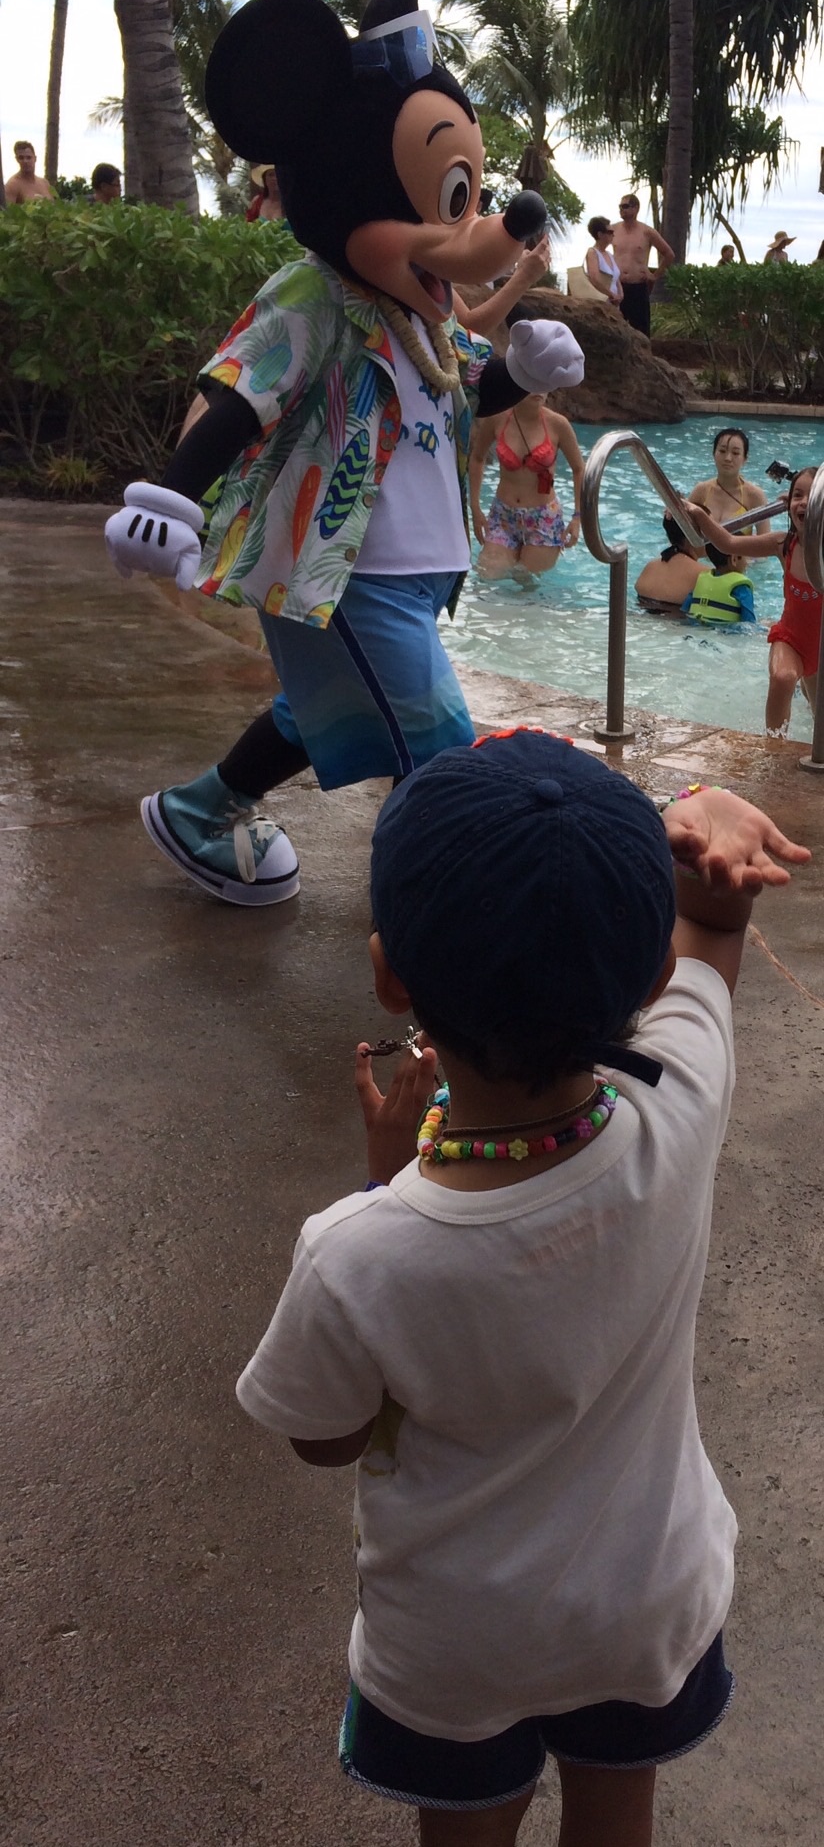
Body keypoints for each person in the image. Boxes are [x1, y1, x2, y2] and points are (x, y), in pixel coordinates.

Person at [235, 728, 808, 1847]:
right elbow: (710, 931)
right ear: (643, 978)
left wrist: (381, 1180)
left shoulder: (359, 1249)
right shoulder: (675, 1111)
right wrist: (711, 826)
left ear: (389, 972)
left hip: (457, 1641)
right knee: (615, 1816)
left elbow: (324, 1437)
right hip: (643, 1598)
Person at [104, 0, 583, 906]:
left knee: (316, 709)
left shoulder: (422, 308)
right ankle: (445, 932)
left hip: (400, 573)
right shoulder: (316, 295)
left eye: (461, 195)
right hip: (349, 578)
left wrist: (519, 372)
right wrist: (170, 495)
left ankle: (204, 811)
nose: (458, 228)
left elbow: (456, 392)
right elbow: (240, 392)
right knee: (443, 754)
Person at [685, 467, 821, 736]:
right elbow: (728, 543)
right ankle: (774, 746)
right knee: (782, 677)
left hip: (822, 645)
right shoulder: (784, 545)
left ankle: (808, 687)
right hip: (792, 638)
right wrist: (699, 513)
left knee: (821, 724)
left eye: (812, 496)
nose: (803, 502)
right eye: (797, 495)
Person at [469, 389, 584, 580]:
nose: (538, 390)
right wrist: (475, 508)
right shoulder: (497, 419)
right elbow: (477, 458)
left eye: (543, 384)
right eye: (532, 383)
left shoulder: (558, 424)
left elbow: (579, 468)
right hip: (504, 515)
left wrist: (577, 517)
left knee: (527, 584)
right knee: (485, 576)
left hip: (543, 518)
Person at [687, 427, 769, 538]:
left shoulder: (754, 496)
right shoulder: (701, 491)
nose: (728, 458)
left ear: (745, 459)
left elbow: (765, 545)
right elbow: (683, 538)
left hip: (739, 555)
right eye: (722, 451)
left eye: (735, 453)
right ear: (714, 454)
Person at [611, 193, 674, 336]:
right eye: (620, 207)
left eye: (625, 206)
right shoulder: (613, 230)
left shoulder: (647, 232)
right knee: (617, 329)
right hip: (618, 287)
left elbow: (669, 254)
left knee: (640, 330)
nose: (622, 210)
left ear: (636, 208)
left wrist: (655, 275)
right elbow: (598, 248)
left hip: (638, 287)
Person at [635, 520, 704, 614]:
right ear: (693, 537)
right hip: (678, 626)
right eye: (709, 531)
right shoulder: (703, 574)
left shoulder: (650, 566)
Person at [681, 542, 756, 625]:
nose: (748, 562)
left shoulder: (702, 580)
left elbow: (685, 610)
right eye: (746, 556)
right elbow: (749, 623)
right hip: (726, 633)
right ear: (734, 559)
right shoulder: (741, 587)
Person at [584, 216, 623, 304]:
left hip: (614, 302)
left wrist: (620, 294)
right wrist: (611, 294)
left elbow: (616, 278)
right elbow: (594, 278)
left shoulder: (609, 255)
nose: (613, 235)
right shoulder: (592, 253)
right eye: (609, 232)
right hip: (601, 302)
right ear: (600, 234)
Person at [4, 140, 53, 205]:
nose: (25, 161)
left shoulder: (45, 183)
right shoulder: (12, 185)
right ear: (17, 159)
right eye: (21, 158)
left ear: (35, 158)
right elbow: (6, 213)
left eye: (28, 157)